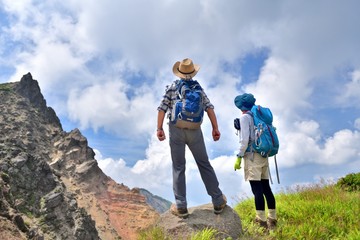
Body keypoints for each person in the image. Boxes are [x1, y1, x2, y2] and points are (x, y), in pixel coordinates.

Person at [157, 58, 227, 218]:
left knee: (178, 166)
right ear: (192, 72)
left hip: (176, 129)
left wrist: (159, 128)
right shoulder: (198, 89)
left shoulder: (172, 87)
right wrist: (215, 128)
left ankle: (181, 206)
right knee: (204, 163)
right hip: (195, 130)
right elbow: (209, 108)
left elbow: (162, 108)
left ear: (180, 72)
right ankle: (217, 201)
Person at [234, 93, 277, 230]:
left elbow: (244, 140)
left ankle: (261, 221)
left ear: (240, 106)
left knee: (257, 190)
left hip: (253, 157)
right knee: (266, 189)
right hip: (264, 155)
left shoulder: (245, 117)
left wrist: (239, 157)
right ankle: (273, 219)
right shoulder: (258, 117)